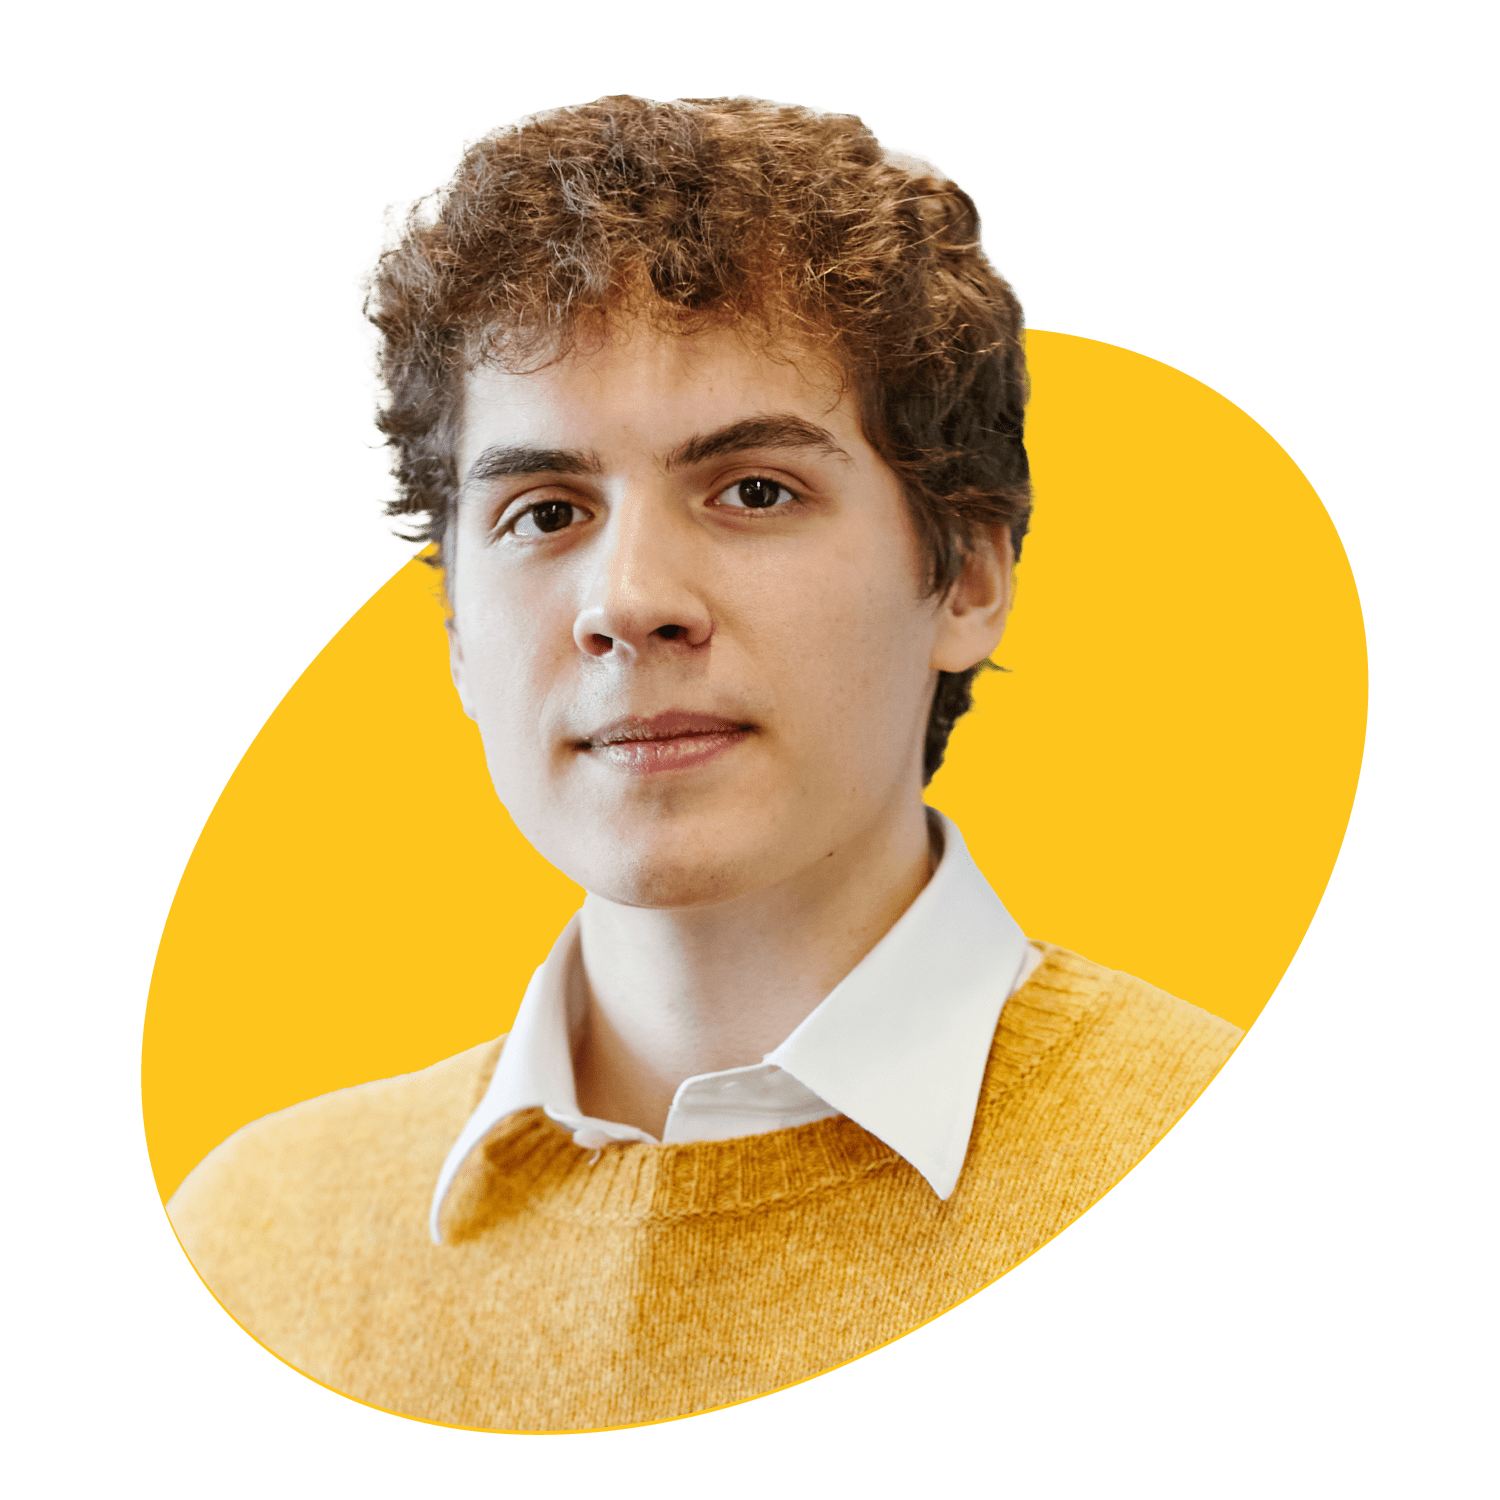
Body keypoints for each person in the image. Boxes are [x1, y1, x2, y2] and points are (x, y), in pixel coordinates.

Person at [167, 94, 1242, 1433]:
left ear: (968, 575)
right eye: (544, 512)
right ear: (453, 631)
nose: (629, 601)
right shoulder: (252, 1259)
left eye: (753, 491)